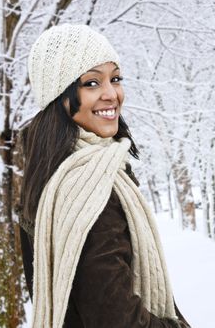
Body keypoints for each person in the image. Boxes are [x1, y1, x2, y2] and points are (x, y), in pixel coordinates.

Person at [19, 24, 191, 328]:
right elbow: (116, 319)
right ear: (60, 94)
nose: (112, 94)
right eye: (92, 83)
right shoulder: (87, 188)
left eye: (115, 78)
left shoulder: (46, 172)